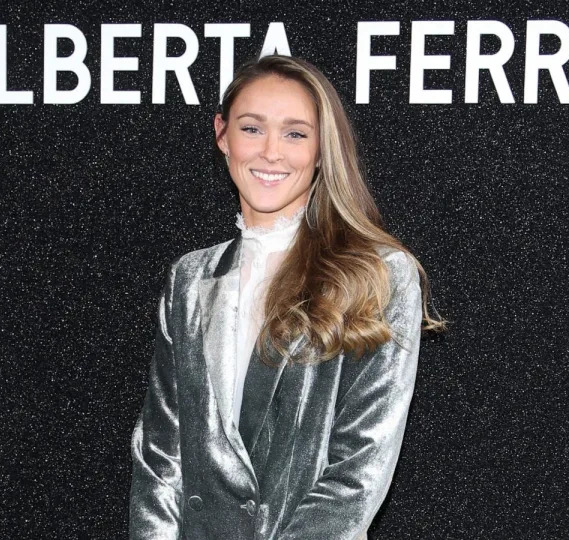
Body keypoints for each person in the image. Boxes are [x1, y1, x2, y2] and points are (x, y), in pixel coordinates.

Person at [129, 54, 446, 540]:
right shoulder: (190, 278)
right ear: (222, 134)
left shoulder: (378, 274)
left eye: (296, 133)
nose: (271, 152)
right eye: (252, 128)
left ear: (322, 149)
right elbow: (161, 456)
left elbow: (357, 474)